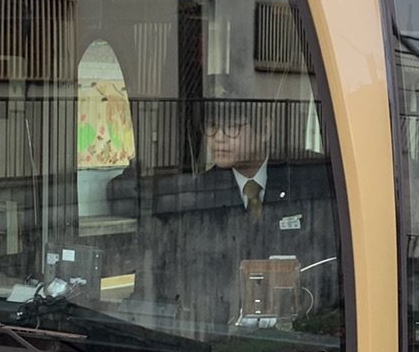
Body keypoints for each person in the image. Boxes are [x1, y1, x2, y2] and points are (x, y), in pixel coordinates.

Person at [142, 79, 338, 333]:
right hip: (221, 336)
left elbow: (327, 266)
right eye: (212, 127)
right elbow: (185, 279)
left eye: (232, 127)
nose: (219, 139)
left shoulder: (307, 179)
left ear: (265, 128)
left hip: (297, 336)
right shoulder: (199, 194)